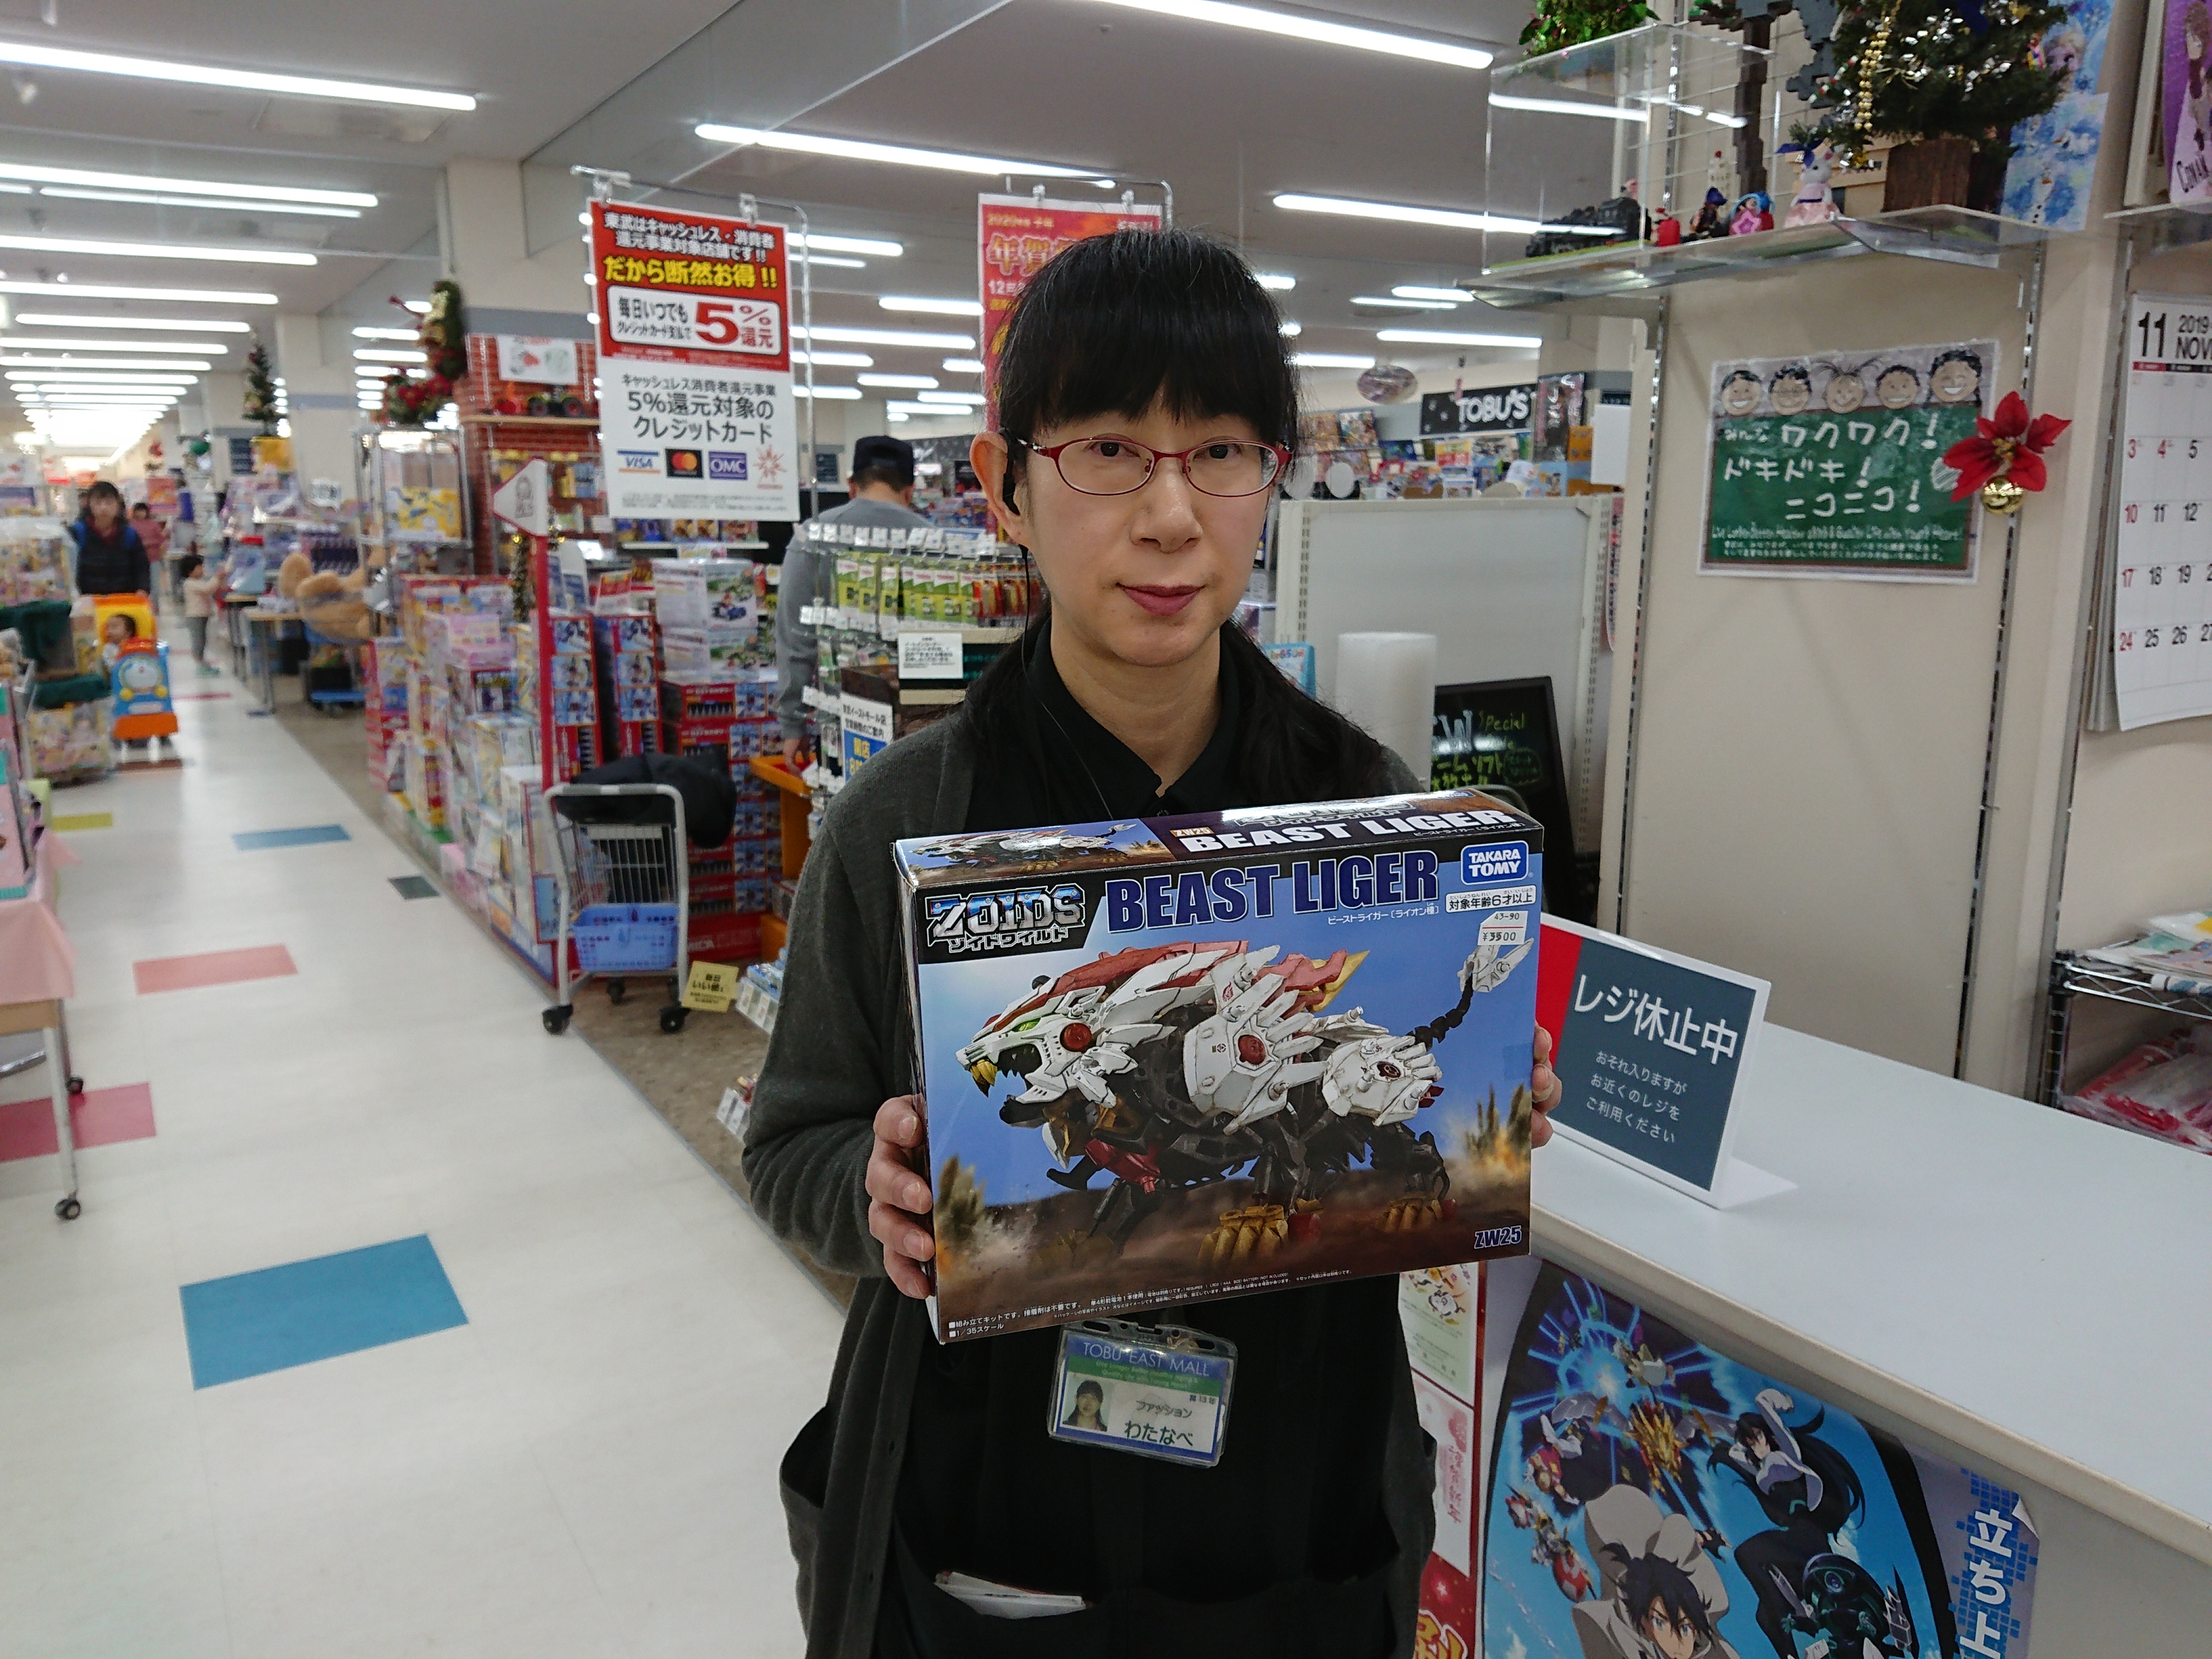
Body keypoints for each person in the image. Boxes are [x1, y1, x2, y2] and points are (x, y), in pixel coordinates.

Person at [744, 227, 1562, 1659]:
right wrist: (873, 1198)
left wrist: (1484, 1107)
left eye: (1222, 452)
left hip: (1297, 1494)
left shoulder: (1368, 811)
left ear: (1271, 480)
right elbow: (792, 1143)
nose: (1172, 516)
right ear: (1006, 485)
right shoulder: (901, 825)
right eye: (1110, 451)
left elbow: (1418, 1121)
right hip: (993, 1503)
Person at [775, 434, 932, 771]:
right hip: (922, 726)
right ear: (910, 491)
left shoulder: (812, 537)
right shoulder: (936, 541)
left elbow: (795, 637)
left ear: (851, 486)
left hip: (842, 723)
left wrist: (793, 722)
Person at [69, 481, 152, 597]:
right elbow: (68, 567)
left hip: (124, 601)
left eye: (109, 503)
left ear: (118, 505)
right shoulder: (78, 533)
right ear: (89, 505)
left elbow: (141, 566)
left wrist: (143, 589)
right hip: (88, 602)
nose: (104, 508)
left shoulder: (129, 534)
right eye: (98, 503)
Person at [179, 553, 220, 676]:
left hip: (202, 615)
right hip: (195, 616)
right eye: (200, 567)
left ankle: (202, 662)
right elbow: (208, 588)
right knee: (198, 640)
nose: (203, 570)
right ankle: (199, 664)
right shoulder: (190, 583)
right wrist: (217, 577)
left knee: (203, 639)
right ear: (190, 571)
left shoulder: (197, 582)